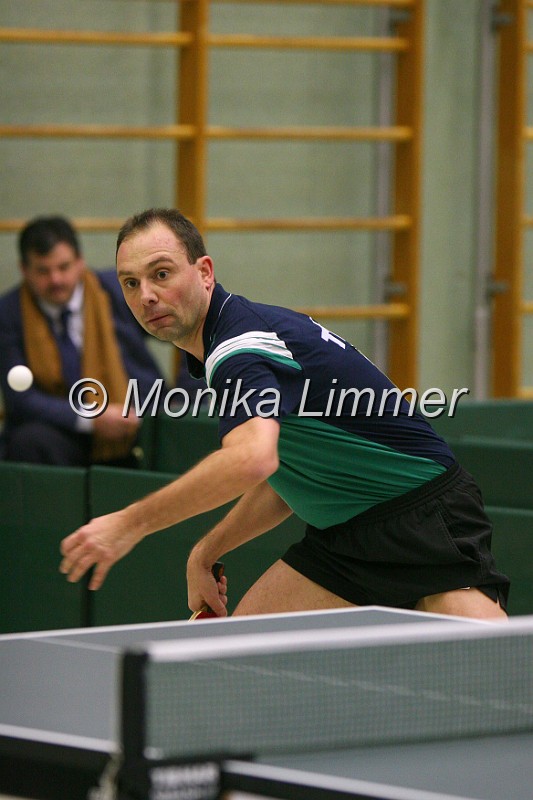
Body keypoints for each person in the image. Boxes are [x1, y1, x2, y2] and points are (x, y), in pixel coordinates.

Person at [59, 208, 510, 620]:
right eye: (131, 283)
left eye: (161, 274)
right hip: (345, 536)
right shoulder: (232, 338)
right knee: (242, 657)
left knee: (492, 679)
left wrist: (128, 523)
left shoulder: (240, 350)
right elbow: (279, 478)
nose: (147, 297)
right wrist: (205, 552)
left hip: (424, 521)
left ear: (205, 272)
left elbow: (251, 459)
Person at [0, 215, 165, 467]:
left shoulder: (120, 289)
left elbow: (186, 329)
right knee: (28, 442)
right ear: (25, 270)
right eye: (43, 271)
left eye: (63, 267)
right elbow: (21, 399)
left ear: (80, 262)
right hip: (63, 428)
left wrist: (184, 396)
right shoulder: (9, 313)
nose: (56, 280)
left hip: (136, 418)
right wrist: (91, 418)